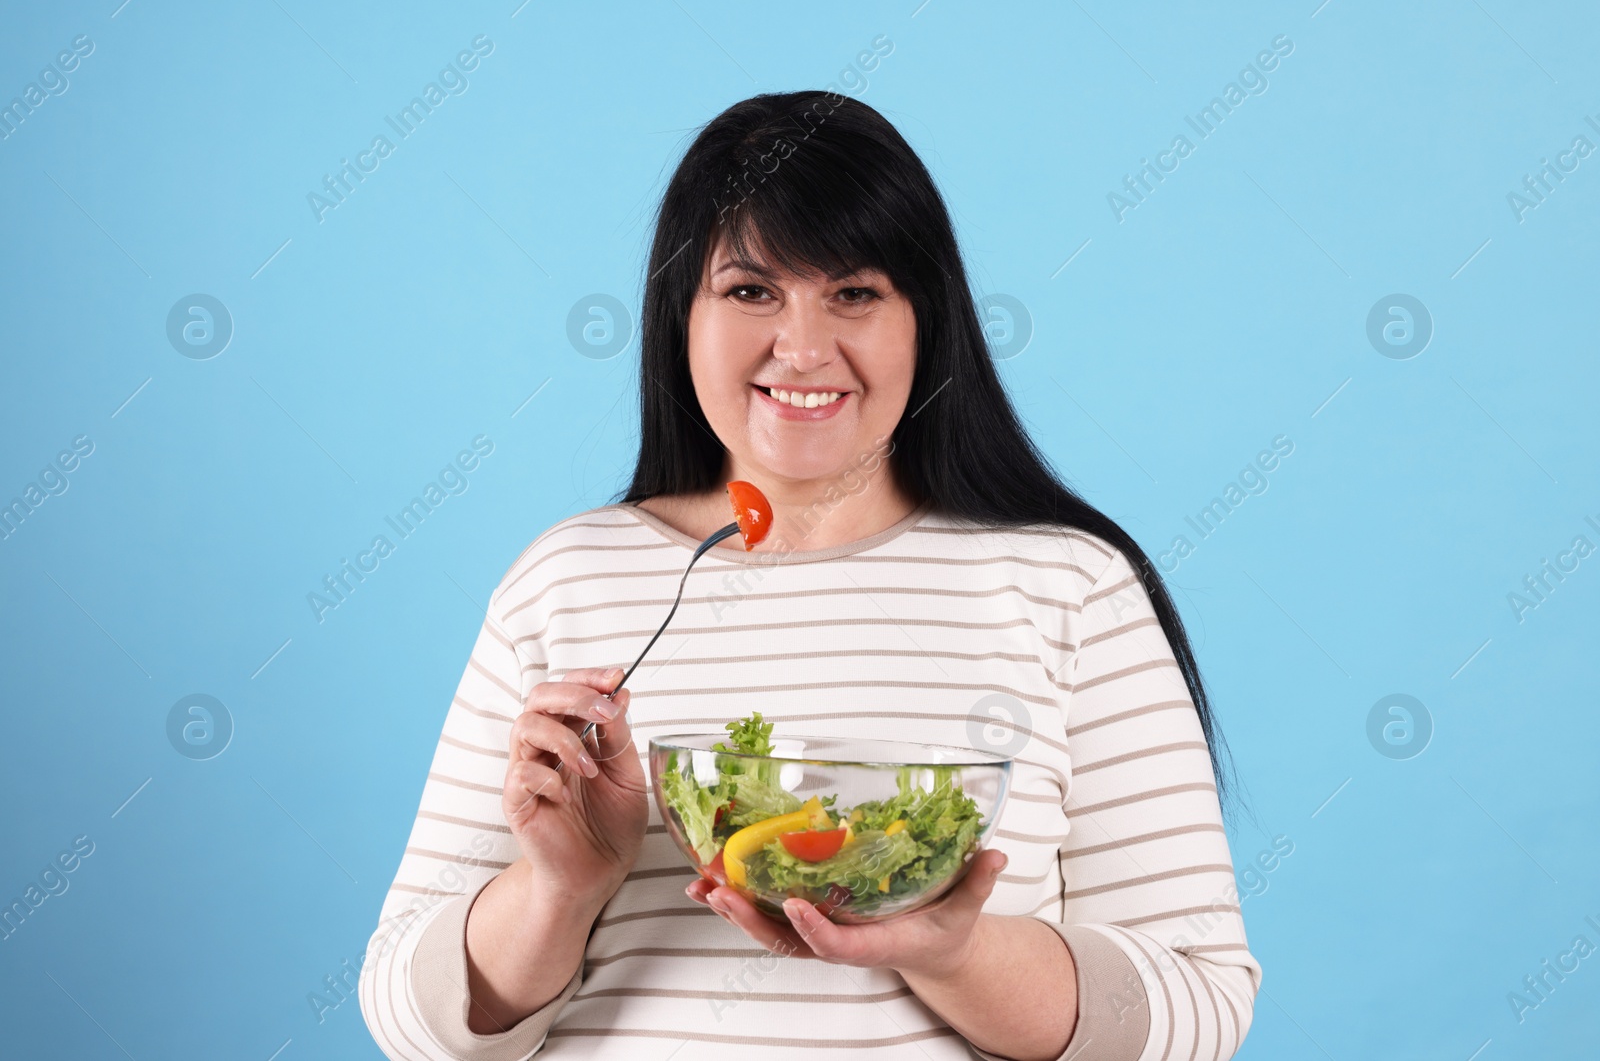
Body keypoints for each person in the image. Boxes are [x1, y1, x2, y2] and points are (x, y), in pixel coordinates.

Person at [359, 90, 1261, 1060]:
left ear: (927, 319)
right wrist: (560, 889)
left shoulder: (1073, 587)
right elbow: (406, 1018)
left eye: (855, 292)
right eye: (750, 290)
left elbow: (1198, 1008)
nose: (801, 347)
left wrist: (953, 953)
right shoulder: (565, 579)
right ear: (681, 315)